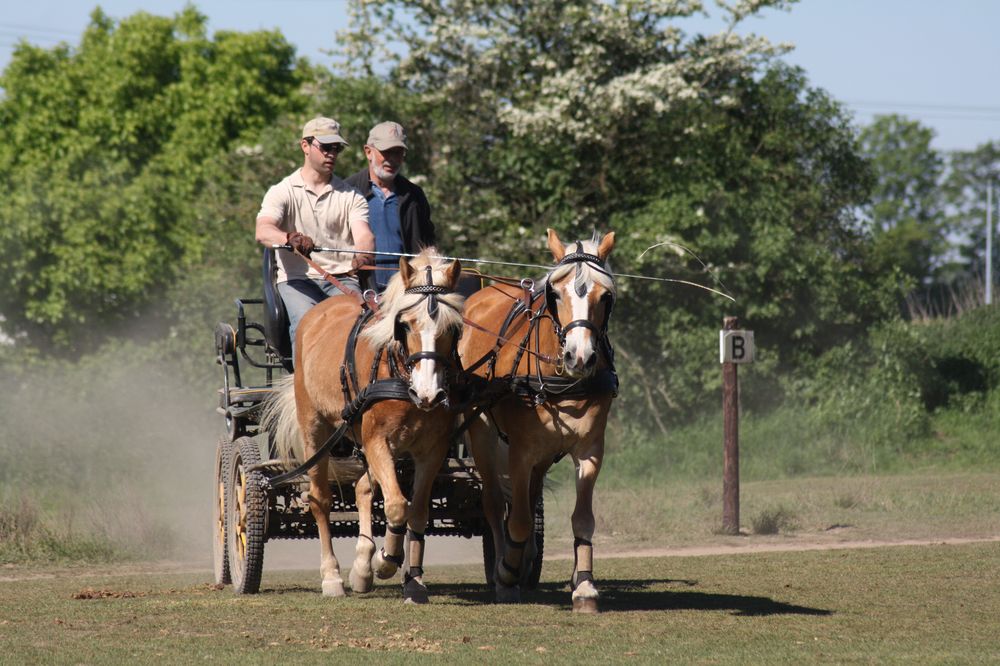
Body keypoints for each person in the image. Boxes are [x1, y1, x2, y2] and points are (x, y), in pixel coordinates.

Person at [255, 116, 375, 352]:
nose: (332, 153)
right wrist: (289, 239)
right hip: (298, 280)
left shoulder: (351, 196)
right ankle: (302, 386)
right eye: (326, 147)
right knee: (307, 324)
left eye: (336, 148)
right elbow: (263, 231)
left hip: (342, 280)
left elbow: (364, 235)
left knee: (362, 328)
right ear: (305, 146)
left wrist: (362, 256)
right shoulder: (282, 191)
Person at [345, 121, 435, 292]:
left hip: (406, 293)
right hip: (358, 289)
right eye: (386, 152)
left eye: (399, 152)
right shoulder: (347, 191)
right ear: (368, 152)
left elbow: (428, 243)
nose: (393, 159)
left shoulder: (414, 195)